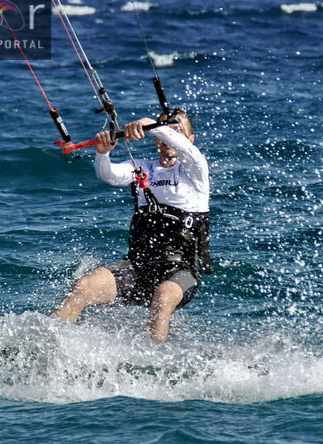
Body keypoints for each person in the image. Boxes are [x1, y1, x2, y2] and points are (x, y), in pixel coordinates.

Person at [51, 110, 211, 341]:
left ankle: (154, 364)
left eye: (177, 130)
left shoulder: (195, 171)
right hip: (138, 267)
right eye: (164, 131)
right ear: (156, 139)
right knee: (83, 287)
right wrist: (103, 153)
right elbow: (111, 176)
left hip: (180, 272)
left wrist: (152, 124)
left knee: (162, 299)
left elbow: (186, 150)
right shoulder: (144, 169)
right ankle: (47, 342)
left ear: (190, 139)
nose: (168, 136)